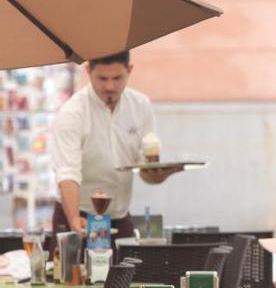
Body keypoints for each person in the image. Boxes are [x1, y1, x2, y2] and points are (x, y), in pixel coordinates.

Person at [50, 52, 180, 242]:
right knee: (71, 272)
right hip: (77, 214)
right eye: (102, 78)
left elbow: (145, 169)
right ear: (88, 71)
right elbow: (68, 172)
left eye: (117, 78)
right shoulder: (72, 112)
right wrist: (73, 220)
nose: (110, 86)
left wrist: (160, 174)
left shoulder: (140, 105)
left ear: (129, 70)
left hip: (120, 216)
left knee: (127, 271)